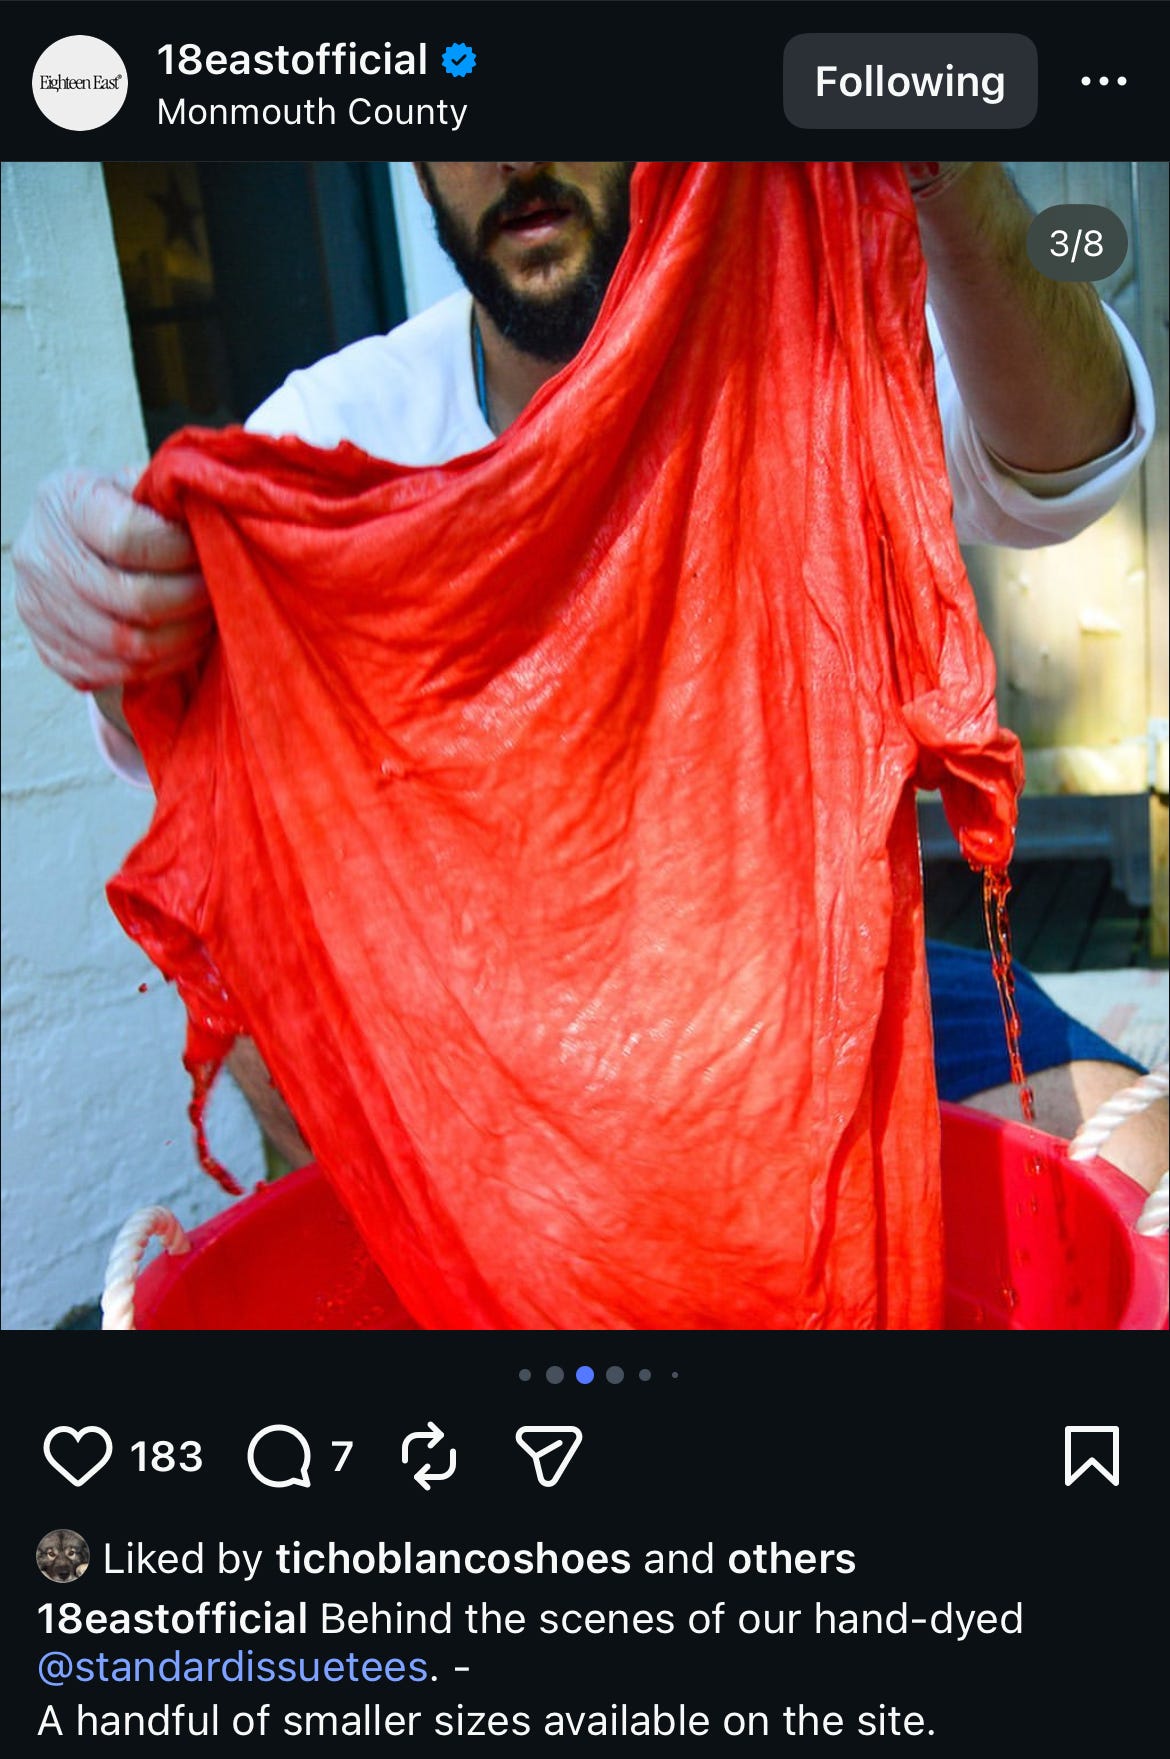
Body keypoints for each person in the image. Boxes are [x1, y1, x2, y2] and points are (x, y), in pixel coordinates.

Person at [13, 161, 1165, 1193]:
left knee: (1137, 1164)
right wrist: (111, 614)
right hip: (501, 1072)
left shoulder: (817, 338)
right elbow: (199, 759)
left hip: (827, 994)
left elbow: (1070, 460)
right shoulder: (335, 433)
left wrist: (948, 168)